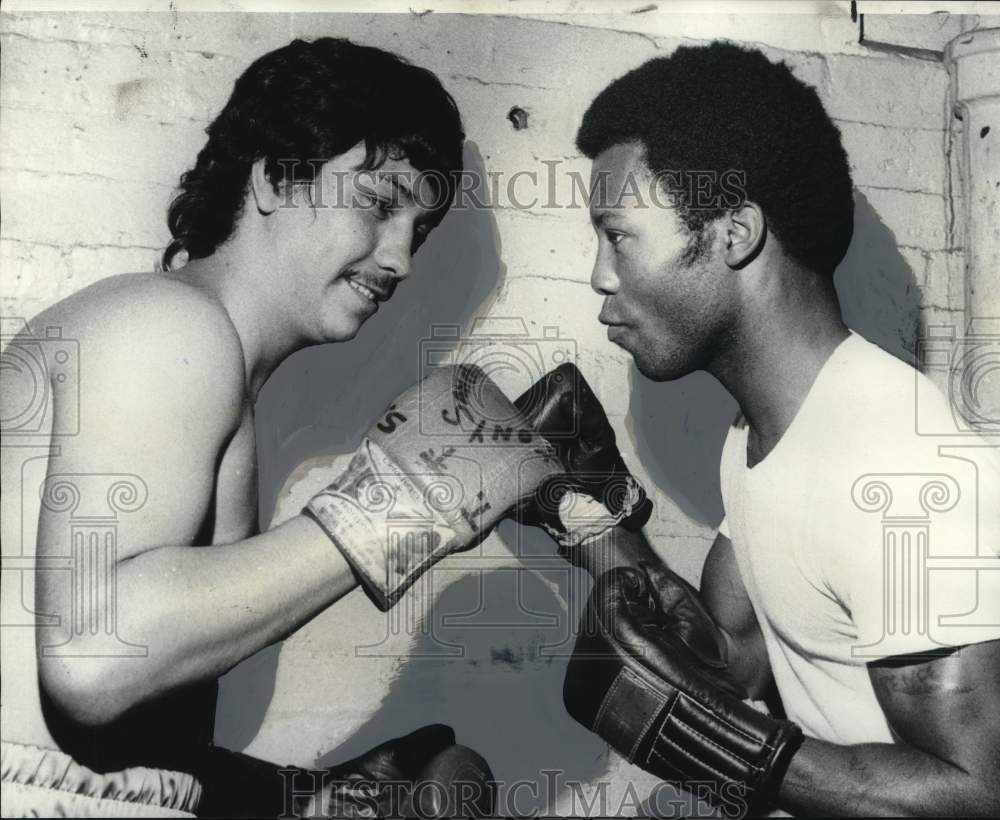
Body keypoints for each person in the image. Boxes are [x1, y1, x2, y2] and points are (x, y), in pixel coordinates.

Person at [0, 36, 516, 819]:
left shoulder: (214, 375)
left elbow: (115, 759)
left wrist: (312, 798)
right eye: (379, 203)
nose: (402, 259)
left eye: (422, 228)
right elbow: (94, 657)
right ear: (277, 177)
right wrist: (406, 503)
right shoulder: (167, 325)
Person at [553, 42, 1000, 817]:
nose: (599, 272)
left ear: (733, 234)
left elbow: (979, 793)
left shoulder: (893, 464)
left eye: (618, 233)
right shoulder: (759, 435)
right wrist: (591, 520)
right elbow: (741, 662)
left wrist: (721, 742)